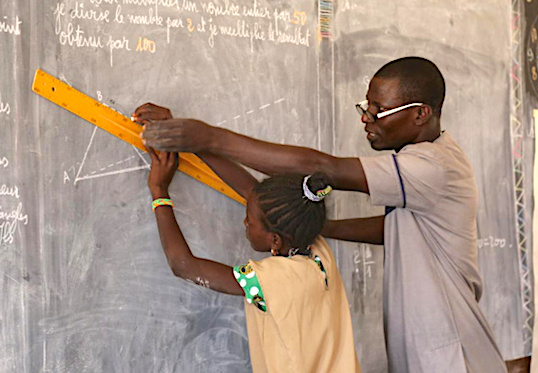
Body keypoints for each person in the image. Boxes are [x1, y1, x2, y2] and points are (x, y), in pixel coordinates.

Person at [135, 56, 508, 372]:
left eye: (378, 111)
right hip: (431, 351)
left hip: (453, 356)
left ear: (420, 114)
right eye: (366, 108)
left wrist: (193, 156)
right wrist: (194, 146)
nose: (367, 119)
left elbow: (321, 167)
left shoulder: (431, 167)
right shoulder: (317, 256)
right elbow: (259, 197)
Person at [144, 142, 361, 372]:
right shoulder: (317, 249)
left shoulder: (273, 279)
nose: (245, 222)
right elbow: (254, 194)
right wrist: (194, 144)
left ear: (275, 240)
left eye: (251, 221)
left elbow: (184, 266)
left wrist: (159, 191)